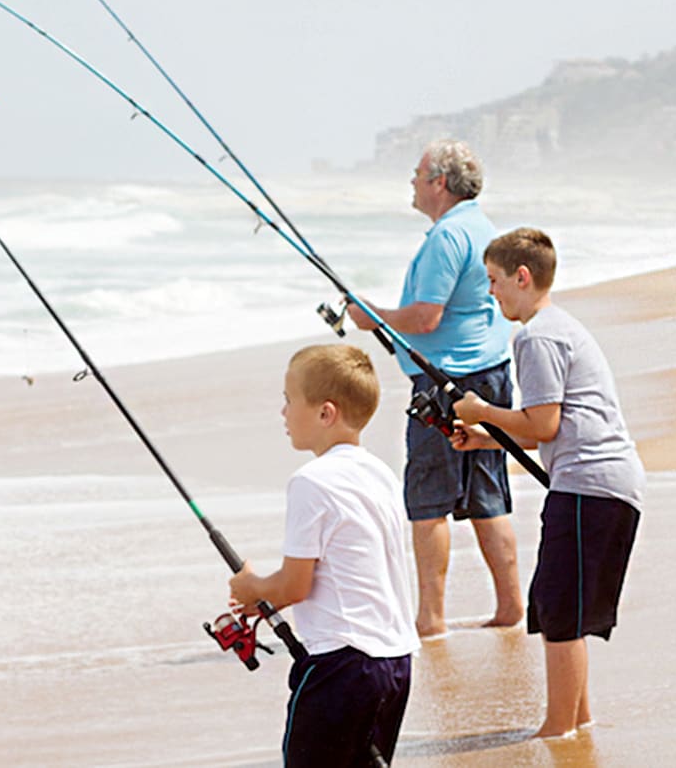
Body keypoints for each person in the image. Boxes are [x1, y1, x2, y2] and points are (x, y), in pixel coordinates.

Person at [450, 227, 644, 738]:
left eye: (494, 281)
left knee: (560, 611)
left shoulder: (537, 335)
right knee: (563, 609)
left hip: (589, 486)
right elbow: (549, 428)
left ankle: (558, 729)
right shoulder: (559, 327)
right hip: (602, 485)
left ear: (522, 276)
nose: (491, 293)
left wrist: (482, 410)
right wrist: (484, 438)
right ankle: (576, 718)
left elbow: (544, 425)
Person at [347, 139, 523, 637]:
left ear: (439, 183)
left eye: (418, 174)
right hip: (489, 373)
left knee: (429, 501)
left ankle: (431, 618)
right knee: (489, 496)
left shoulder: (447, 237)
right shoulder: (481, 226)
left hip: (449, 382)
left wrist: (371, 316)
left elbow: (426, 317)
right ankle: (510, 606)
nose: (412, 182)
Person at [229, 344, 420, 766]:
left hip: (342, 665)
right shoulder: (380, 474)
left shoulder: (310, 482)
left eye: (289, 399)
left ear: (325, 413)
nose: (282, 412)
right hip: (395, 661)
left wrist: (251, 588)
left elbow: (296, 585)